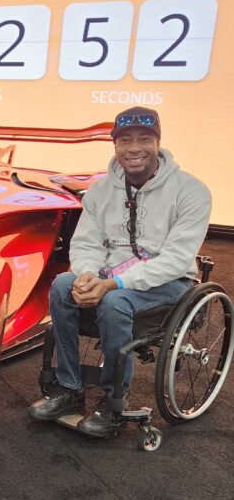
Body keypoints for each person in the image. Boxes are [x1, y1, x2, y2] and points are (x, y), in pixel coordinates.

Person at [29, 108, 212, 438]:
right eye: (124, 140)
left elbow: (174, 259)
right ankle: (69, 388)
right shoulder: (101, 190)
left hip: (169, 282)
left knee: (115, 302)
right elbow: (86, 242)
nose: (134, 148)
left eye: (145, 139)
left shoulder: (191, 191)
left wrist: (114, 283)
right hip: (110, 273)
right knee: (61, 285)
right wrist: (85, 274)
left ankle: (114, 401)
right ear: (115, 145)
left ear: (158, 142)